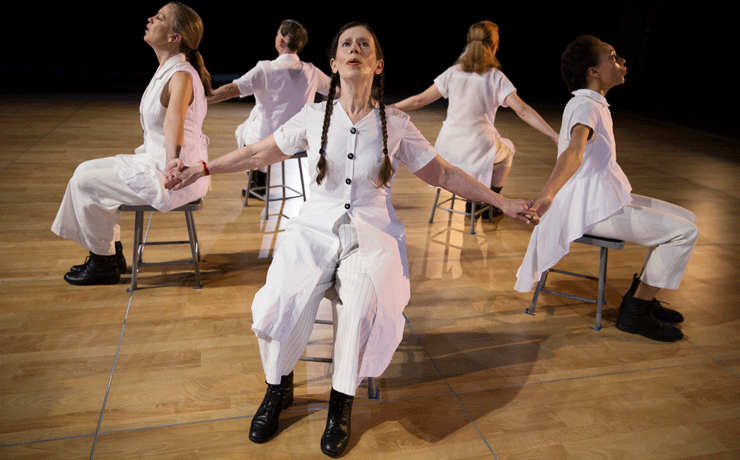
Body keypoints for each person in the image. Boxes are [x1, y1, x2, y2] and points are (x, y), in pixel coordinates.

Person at [167, 22, 536, 457]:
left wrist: (501, 200)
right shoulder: (314, 117)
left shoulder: (395, 123)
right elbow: (256, 152)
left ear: (378, 65)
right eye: (346, 44)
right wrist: (202, 168)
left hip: (372, 232)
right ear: (334, 63)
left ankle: (340, 403)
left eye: (365, 45)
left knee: (363, 307)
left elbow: (445, 173)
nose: (355, 49)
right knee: (282, 297)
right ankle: (277, 388)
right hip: (314, 228)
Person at [515, 35, 699, 342]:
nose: (622, 61)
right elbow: (574, 151)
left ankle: (639, 297)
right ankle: (636, 312)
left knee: (688, 219)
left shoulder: (591, 103)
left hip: (599, 199)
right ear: (594, 72)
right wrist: (547, 193)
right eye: (613, 57)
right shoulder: (586, 105)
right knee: (685, 232)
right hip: (588, 210)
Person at [51, 2, 212, 286]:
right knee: (83, 171)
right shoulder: (169, 69)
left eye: (160, 17)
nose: (150, 18)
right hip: (154, 162)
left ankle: (103, 262)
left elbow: (173, 119)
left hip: (174, 175)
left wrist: (172, 160)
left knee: (85, 182)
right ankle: (109, 254)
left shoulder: (181, 75)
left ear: (174, 37)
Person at [391, 20, 558, 216]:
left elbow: (418, 100)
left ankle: (480, 201)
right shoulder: (495, 78)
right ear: (494, 47)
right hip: (477, 148)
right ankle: (490, 203)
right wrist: (555, 135)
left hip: (446, 148)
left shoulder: (453, 73)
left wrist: (387, 108)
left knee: (499, 147)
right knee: (508, 151)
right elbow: (523, 111)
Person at [207, 19, 331, 194]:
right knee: (255, 119)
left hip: (268, 143)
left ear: (280, 41)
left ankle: (258, 180)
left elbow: (232, 90)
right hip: (299, 143)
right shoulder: (311, 71)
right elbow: (336, 90)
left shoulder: (266, 69)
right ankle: (259, 179)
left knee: (244, 130)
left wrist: (204, 99)